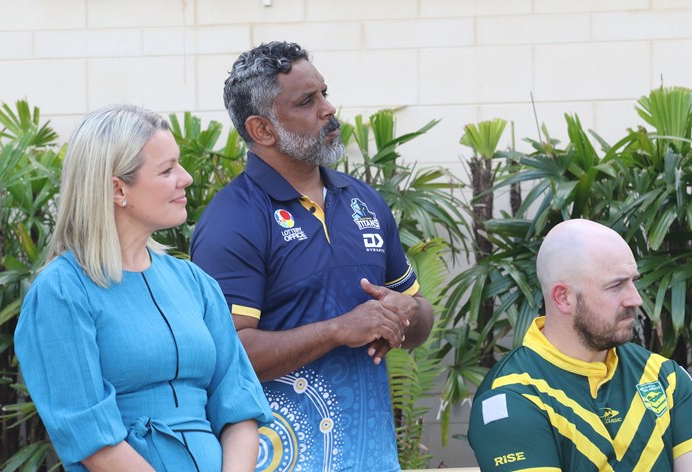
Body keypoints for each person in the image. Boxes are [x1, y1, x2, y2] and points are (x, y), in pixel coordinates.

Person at [190, 41, 435, 471]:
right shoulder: (233, 219)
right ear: (262, 129)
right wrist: (339, 329)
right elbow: (225, 357)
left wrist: (405, 315)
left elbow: (422, 316)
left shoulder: (363, 201)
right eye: (307, 101)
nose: (328, 109)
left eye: (324, 93)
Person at [14, 104, 272, 472]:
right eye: (167, 169)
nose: (186, 178)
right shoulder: (61, 291)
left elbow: (238, 405)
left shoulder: (195, 283)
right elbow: (91, 437)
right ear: (118, 188)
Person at [468, 219, 692, 471]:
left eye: (633, 281)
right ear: (563, 297)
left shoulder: (666, 377)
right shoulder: (511, 396)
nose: (635, 298)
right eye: (616, 285)